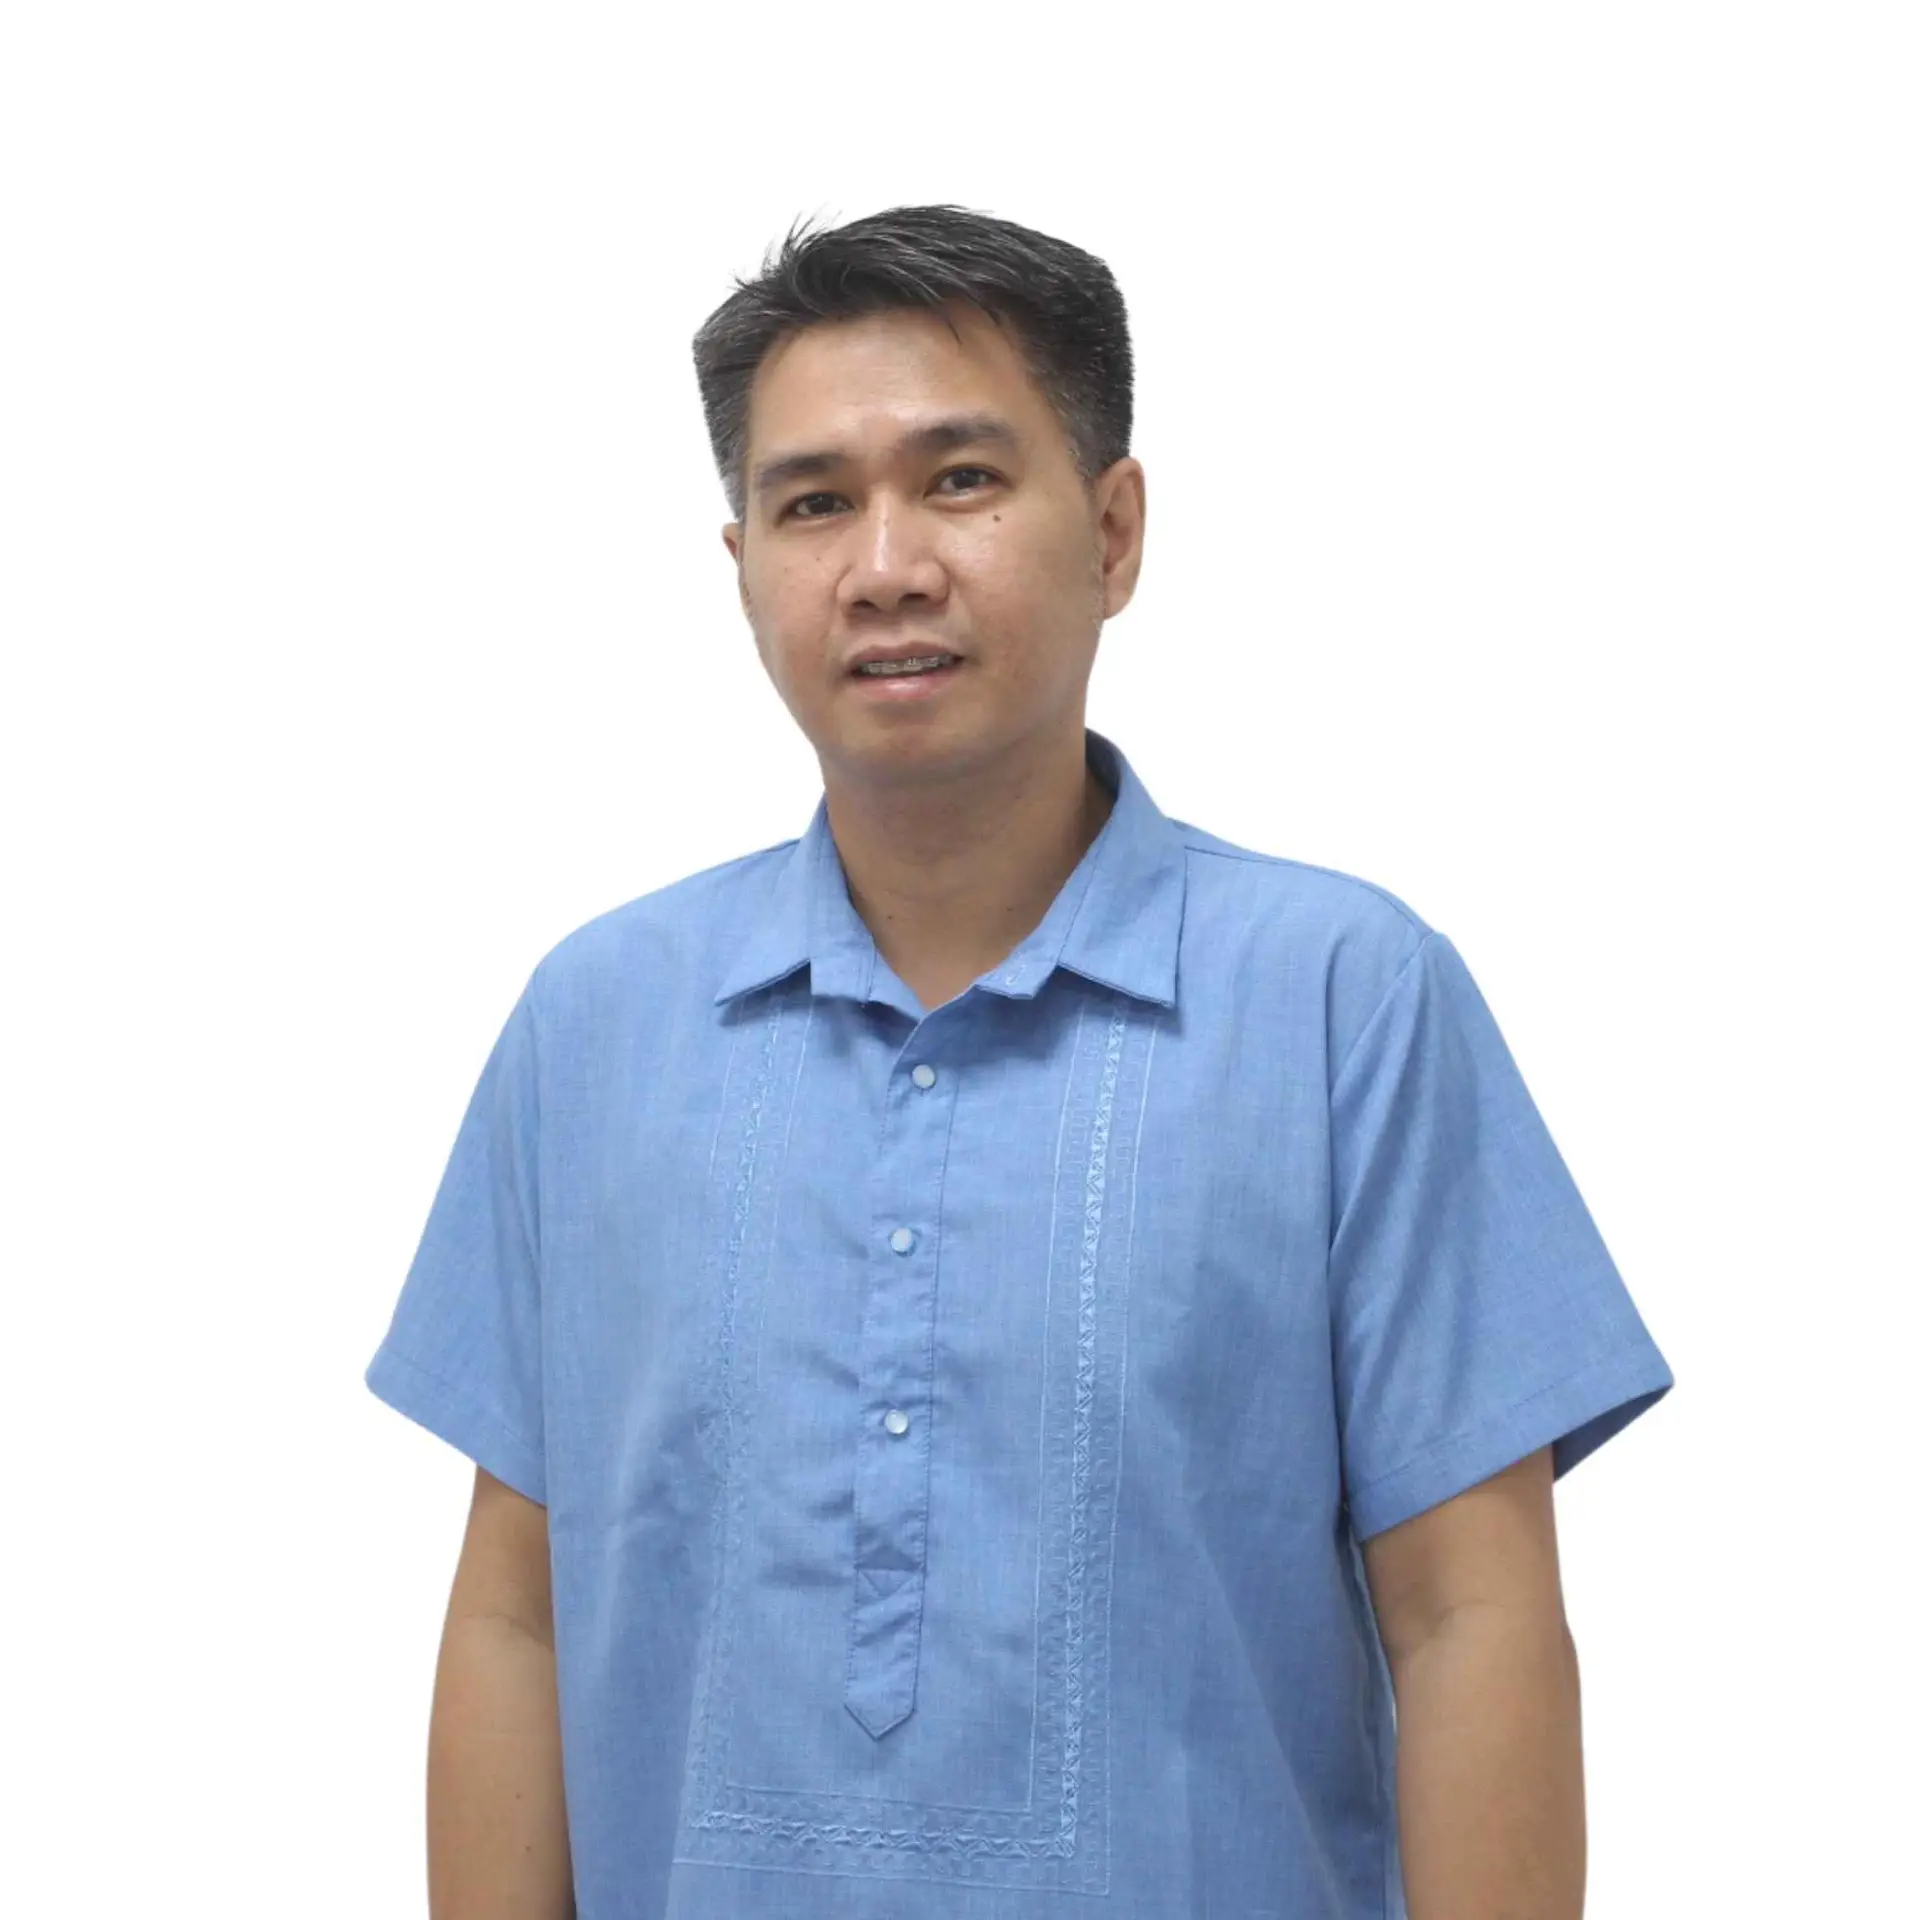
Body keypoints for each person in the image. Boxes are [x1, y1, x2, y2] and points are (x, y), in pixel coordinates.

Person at [364, 203, 1675, 1920]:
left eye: (962, 480)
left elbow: (1473, 1619)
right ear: (744, 563)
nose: (885, 562)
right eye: (813, 499)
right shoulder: (599, 1020)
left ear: (1116, 533)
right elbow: (516, 1613)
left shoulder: (1344, 999)